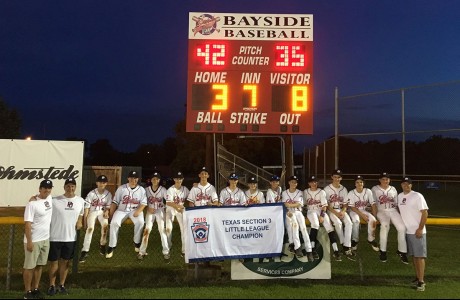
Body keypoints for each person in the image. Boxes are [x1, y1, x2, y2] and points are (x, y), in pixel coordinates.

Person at [47, 178, 85, 296]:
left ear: (75, 187)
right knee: (54, 263)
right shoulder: (55, 200)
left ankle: (62, 285)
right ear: (64, 187)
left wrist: (79, 220)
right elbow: (41, 200)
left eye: (73, 186)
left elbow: (82, 213)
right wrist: (33, 198)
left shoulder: (80, 200)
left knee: (66, 262)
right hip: (55, 236)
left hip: (70, 237)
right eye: (68, 186)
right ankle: (52, 286)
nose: (70, 188)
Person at [23, 180, 54, 299]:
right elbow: (27, 224)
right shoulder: (32, 204)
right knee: (29, 266)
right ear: (40, 189)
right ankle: (28, 292)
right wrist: (29, 242)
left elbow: (45, 196)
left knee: (39, 265)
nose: (47, 190)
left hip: (45, 238)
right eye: (45, 188)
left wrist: (35, 196)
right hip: (34, 240)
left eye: (49, 188)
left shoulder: (49, 198)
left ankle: (35, 288)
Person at [397, 177, 429, 292]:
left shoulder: (417, 196)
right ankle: (417, 277)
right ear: (401, 185)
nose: (406, 185)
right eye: (404, 183)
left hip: (417, 231)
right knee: (414, 256)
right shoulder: (399, 196)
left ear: (411, 185)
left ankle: (421, 281)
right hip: (408, 231)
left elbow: (425, 213)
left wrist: (420, 229)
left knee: (419, 257)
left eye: (408, 184)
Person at [106, 170, 147, 259]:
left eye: (135, 178)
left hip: (135, 210)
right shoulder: (122, 188)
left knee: (140, 222)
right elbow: (115, 202)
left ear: (138, 179)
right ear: (128, 178)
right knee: (114, 223)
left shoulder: (141, 189)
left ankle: (136, 242)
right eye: (132, 178)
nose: (133, 180)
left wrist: (138, 211)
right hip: (121, 210)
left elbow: (144, 203)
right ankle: (112, 245)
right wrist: (111, 215)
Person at [371, 172, 408, 263]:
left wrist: (400, 214)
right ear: (379, 180)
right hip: (381, 211)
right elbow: (373, 204)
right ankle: (382, 251)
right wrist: (374, 217)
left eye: (387, 179)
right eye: (383, 179)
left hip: (393, 210)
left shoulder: (393, 189)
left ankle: (401, 251)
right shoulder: (375, 189)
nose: (385, 181)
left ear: (389, 180)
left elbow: (397, 204)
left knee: (402, 228)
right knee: (385, 226)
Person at [304, 175, 341, 261]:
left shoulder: (321, 192)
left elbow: (324, 206)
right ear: (309, 183)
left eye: (315, 182)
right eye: (312, 182)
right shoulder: (305, 192)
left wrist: (322, 215)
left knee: (329, 227)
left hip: (320, 211)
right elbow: (303, 204)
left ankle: (335, 250)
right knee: (315, 224)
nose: (314, 183)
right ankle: (312, 249)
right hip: (311, 211)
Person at [79, 175, 112, 262]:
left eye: (104, 182)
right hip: (92, 212)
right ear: (97, 183)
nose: (102, 184)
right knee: (90, 229)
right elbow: (86, 208)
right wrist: (85, 221)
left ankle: (102, 244)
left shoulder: (108, 194)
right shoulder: (91, 193)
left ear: (106, 184)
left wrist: (107, 211)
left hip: (102, 212)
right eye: (100, 182)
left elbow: (108, 206)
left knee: (105, 226)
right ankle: (85, 251)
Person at [281, 175, 314, 261]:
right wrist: (289, 207)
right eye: (292, 182)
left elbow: (299, 204)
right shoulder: (284, 193)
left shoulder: (300, 192)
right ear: (289, 183)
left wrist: (290, 205)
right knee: (294, 227)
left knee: (304, 229)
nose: (293, 183)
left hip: (298, 212)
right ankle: (297, 248)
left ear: (297, 184)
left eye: (295, 182)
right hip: (289, 213)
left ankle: (309, 251)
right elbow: (284, 205)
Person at [137, 171, 169, 262]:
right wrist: (147, 207)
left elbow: (169, 200)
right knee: (147, 230)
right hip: (150, 211)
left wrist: (166, 209)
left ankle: (166, 252)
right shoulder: (146, 190)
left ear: (159, 180)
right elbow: (141, 201)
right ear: (151, 180)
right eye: (153, 179)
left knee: (162, 230)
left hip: (160, 211)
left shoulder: (163, 189)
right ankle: (141, 252)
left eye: (157, 179)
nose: (155, 180)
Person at [324, 169, 355, 261]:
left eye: (338, 177)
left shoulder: (343, 189)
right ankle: (343, 244)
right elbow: (327, 205)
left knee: (349, 223)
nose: (337, 179)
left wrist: (343, 211)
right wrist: (336, 213)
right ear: (332, 177)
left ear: (341, 178)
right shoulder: (327, 189)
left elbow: (345, 203)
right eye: (335, 177)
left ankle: (347, 246)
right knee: (338, 223)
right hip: (332, 210)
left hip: (341, 210)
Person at [347, 175, 380, 253]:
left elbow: (373, 204)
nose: (359, 184)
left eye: (361, 182)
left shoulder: (368, 191)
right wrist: (362, 215)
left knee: (372, 220)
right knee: (356, 221)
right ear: (355, 184)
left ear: (363, 183)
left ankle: (371, 239)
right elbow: (352, 207)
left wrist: (374, 216)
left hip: (363, 210)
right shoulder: (351, 192)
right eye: (357, 182)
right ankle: (355, 240)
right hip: (353, 211)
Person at [165, 171, 190, 257]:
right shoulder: (170, 189)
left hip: (180, 210)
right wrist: (177, 207)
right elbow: (168, 203)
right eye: (176, 178)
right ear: (174, 179)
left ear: (182, 179)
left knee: (184, 229)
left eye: (180, 178)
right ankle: (168, 247)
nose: (178, 180)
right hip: (170, 209)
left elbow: (190, 198)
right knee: (168, 228)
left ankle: (184, 251)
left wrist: (196, 186)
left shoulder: (185, 189)